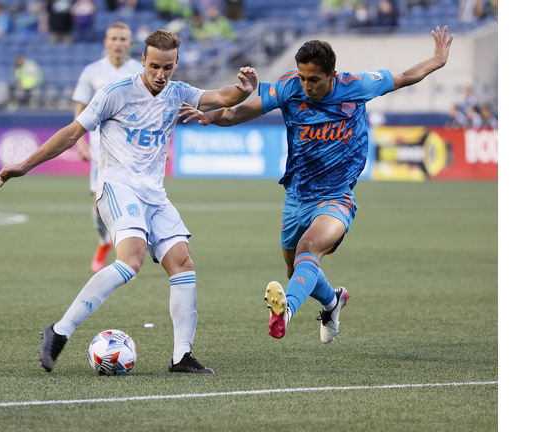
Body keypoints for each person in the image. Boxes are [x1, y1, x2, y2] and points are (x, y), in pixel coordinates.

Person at [0, 29, 258, 374]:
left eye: (168, 67)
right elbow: (72, 133)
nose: (161, 75)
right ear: (143, 61)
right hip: (117, 187)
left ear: (177, 62)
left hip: (154, 193)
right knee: (131, 260)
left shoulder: (179, 93)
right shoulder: (115, 93)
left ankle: (181, 357)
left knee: (182, 263)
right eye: (154, 66)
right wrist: (25, 165)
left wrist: (243, 90)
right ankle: (59, 332)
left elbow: (222, 97)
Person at [178, 26, 453, 343]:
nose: (306, 85)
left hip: (337, 198)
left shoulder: (357, 86)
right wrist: (214, 116)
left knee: (308, 250)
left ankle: (286, 314)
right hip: (296, 197)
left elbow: (405, 75)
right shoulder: (288, 87)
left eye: (314, 80)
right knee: (296, 272)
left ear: (332, 74)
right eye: (303, 77)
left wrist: (437, 59)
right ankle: (333, 301)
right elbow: (241, 111)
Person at [72, 22, 144, 273]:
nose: (118, 43)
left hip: (135, 150)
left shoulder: (141, 70)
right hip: (100, 150)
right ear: (106, 42)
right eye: (114, 38)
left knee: (132, 203)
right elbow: (80, 107)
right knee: (99, 205)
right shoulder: (92, 71)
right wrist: (79, 140)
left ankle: (125, 257)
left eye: (123, 38)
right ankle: (104, 243)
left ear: (130, 43)